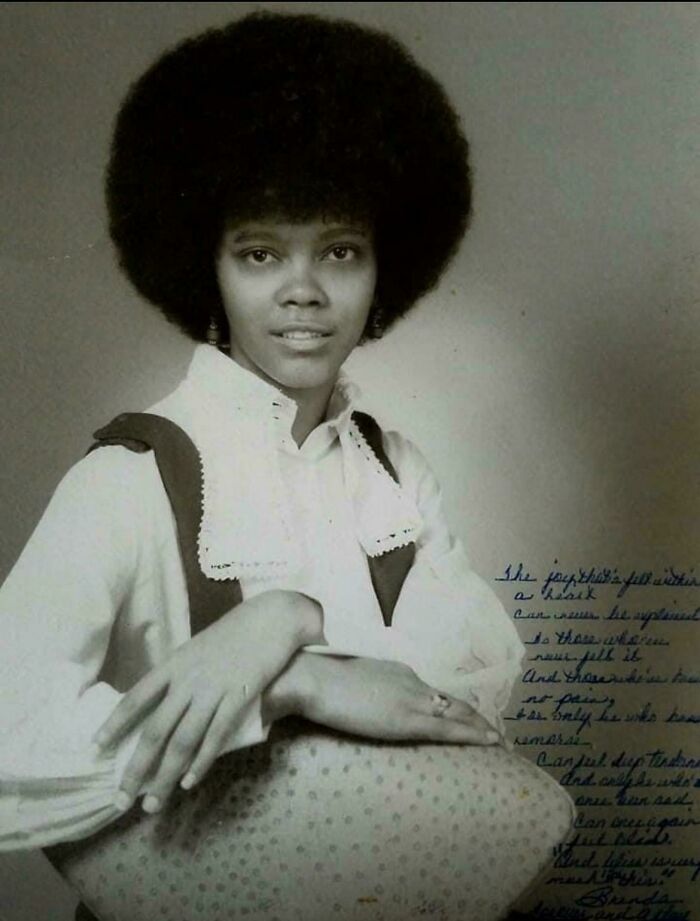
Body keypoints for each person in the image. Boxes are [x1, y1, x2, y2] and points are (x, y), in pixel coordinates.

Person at [0, 12, 574, 920]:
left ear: (386, 266)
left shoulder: (396, 472)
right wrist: (291, 681)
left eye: (339, 251)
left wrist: (289, 618)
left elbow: (463, 705)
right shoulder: (129, 479)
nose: (303, 291)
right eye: (260, 252)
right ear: (207, 265)